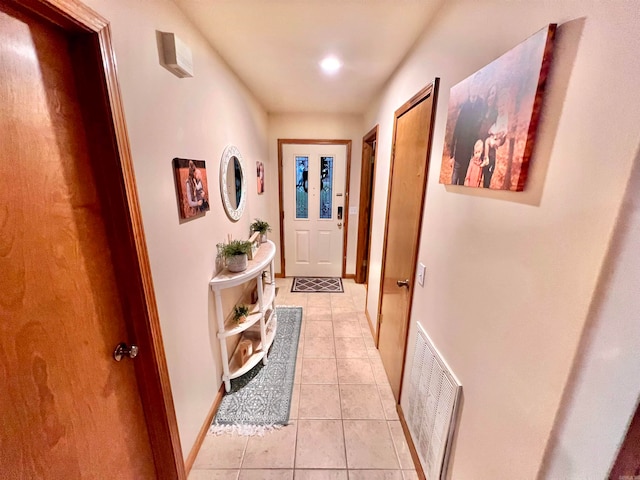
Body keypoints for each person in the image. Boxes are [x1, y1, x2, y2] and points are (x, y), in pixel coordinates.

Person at [449, 73, 485, 185]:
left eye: (478, 85)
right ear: (471, 87)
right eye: (474, 85)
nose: (475, 88)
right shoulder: (465, 105)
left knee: (463, 177)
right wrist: (451, 155)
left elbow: (478, 129)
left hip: (470, 151)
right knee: (455, 177)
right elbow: (457, 129)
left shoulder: (481, 105)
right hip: (460, 149)